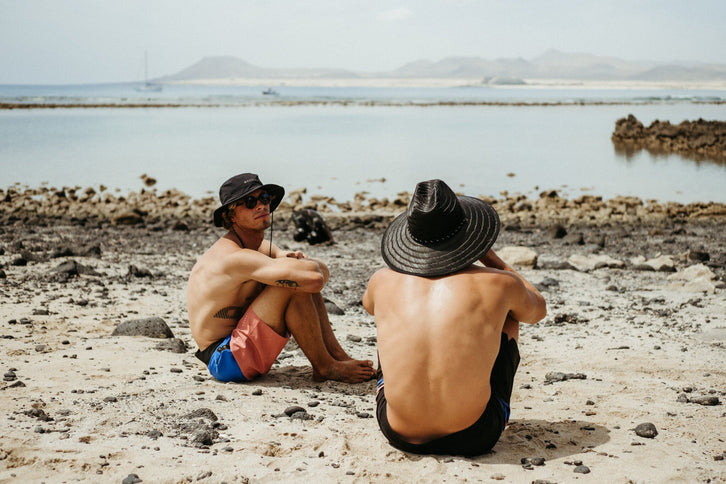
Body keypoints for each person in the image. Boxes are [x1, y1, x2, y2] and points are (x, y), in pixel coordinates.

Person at [362, 179, 546, 456]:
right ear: (470, 238)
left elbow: (369, 306)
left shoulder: (382, 280)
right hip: (475, 435)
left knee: (390, 317)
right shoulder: (500, 283)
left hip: (396, 431)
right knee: (510, 315)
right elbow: (538, 310)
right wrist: (492, 260)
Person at [187, 173, 375, 383]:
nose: (260, 206)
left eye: (264, 198)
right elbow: (315, 277)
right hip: (224, 358)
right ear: (231, 217)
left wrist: (288, 262)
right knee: (293, 285)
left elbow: (318, 273)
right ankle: (325, 366)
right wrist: (294, 266)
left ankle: (337, 357)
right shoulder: (236, 257)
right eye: (249, 202)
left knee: (296, 281)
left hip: (237, 349)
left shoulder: (257, 248)